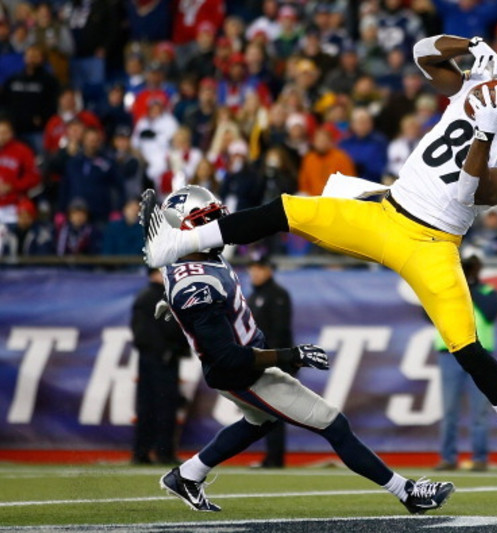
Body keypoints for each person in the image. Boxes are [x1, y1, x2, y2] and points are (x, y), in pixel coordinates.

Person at [141, 34, 497, 504]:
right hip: (385, 213)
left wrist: (485, 130)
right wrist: (468, 48)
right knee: (286, 210)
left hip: (432, 244)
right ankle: (176, 244)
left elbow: (470, 193)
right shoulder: (486, 87)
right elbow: (423, 52)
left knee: (466, 347)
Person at [154, 185, 454, 514]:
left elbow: (191, 293)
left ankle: (188, 475)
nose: (216, 224)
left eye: (215, 215)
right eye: (206, 219)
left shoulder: (194, 262)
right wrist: (290, 355)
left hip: (243, 362)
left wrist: (180, 309)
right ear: (182, 229)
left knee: (261, 422)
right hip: (241, 372)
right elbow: (226, 354)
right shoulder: (195, 283)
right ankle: (407, 492)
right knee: (333, 423)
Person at [434, 250, 497, 472]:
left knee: (480, 410)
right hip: (449, 352)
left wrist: (470, 285)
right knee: (449, 409)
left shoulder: (488, 291)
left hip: (480, 354)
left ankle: (480, 458)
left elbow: (491, 313)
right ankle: (448, 458)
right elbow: (427, 313)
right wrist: (456, 282)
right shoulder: (447, 289)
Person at [131, 268, 189, 465]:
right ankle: (162, 452)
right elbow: (167, 330)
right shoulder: (159, 297)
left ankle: (143, 452)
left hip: (152, 359)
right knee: (164, 407)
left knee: (148, 406)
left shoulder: (145, 296)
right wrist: (169, 350)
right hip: (161, 360)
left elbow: (140, 333)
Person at [247, 253, 295, 468]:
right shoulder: (253, 296)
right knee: (267, 411)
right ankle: (271, 456)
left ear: (269, 270)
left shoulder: (277, 295)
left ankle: (275, 458)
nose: (254, 272)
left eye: (259, 268)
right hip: (261, 360)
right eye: (252, 268)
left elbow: (279, 332)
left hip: (274, 362)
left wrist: (272, 359)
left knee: (276, 410)